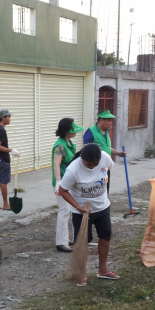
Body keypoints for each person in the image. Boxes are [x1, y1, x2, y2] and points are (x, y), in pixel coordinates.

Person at [59, 143, 120, 284]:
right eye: (89, 164)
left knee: (105, 236)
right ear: (81, 157)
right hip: (82, 211)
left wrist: (105, 191)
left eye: (95, 164)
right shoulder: (73, 170)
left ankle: (103, 270)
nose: (92, 166)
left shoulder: (105, 158)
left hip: (102, 207)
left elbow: (108, 170)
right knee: (83, 242)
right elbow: (63, 191)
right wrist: (78, 207)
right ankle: (81, 272)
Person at [52, 118, 84, 253]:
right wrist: (58, 182)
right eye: (73, 129)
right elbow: (56, 164)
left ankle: (64, 238)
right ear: (67, 131)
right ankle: (61, 243)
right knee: (64, 211)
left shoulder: (69, 143)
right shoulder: (60, 146)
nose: (75, 131)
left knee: (68, 211)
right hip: (62, 183)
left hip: (69, 181)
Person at [83, 110, 126, 194]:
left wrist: (118, 153)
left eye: (111, 121)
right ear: (101, 120)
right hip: (95, 167)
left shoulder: (106, 132)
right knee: (95, 190)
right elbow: (86, 149)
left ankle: (104, 205)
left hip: (105, 167)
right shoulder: (90, 132)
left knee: (105, 190)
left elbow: (107, 148)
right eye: (108, 121)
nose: (110, 123)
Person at [0, 109, 19, 211]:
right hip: (3, 160)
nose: (10, 119)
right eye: (8, 117)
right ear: (3, 118)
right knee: (4, 182)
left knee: (1, 181)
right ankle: (6, 204)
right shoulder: (1, 130)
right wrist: (11, 150)